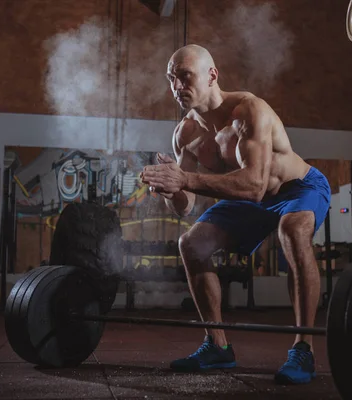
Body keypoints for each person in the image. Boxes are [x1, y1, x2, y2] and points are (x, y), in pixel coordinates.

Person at [140, 44, 331, 385]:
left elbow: (256, 184)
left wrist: (185, 179)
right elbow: (185, 207)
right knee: (190, 243)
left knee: (292, 229)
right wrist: (171, 189)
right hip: (245, 196)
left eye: (185, 77)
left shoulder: (249, 112)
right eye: (171, 79)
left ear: (212, 75)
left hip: (297, 188)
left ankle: (304, 349)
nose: (177, 87)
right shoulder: (185, 134)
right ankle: (217, 345)